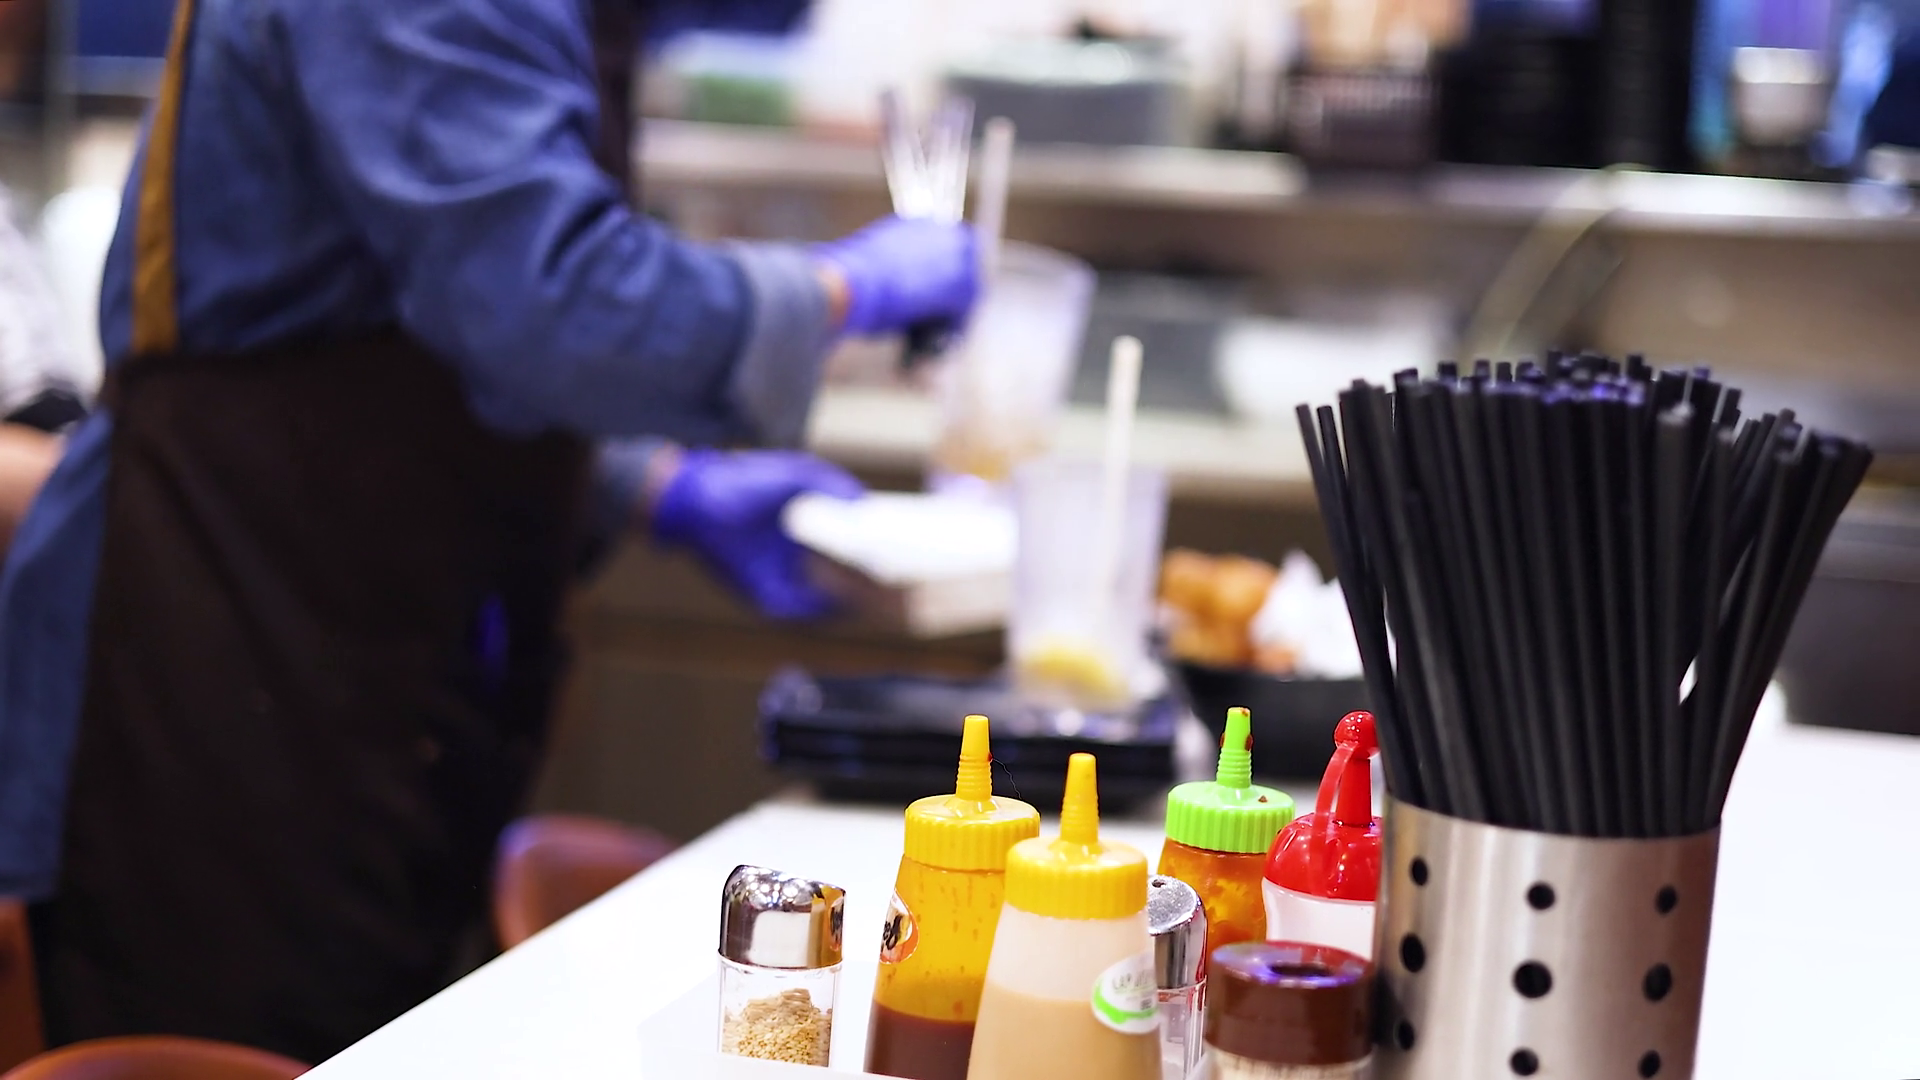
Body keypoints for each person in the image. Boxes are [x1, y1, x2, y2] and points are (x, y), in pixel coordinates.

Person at [0, 0, 979, 1064]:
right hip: (214, 663)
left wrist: (653, 489)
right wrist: (845, 290)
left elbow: (406, 326)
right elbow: (552, 302)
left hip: (359, 674)